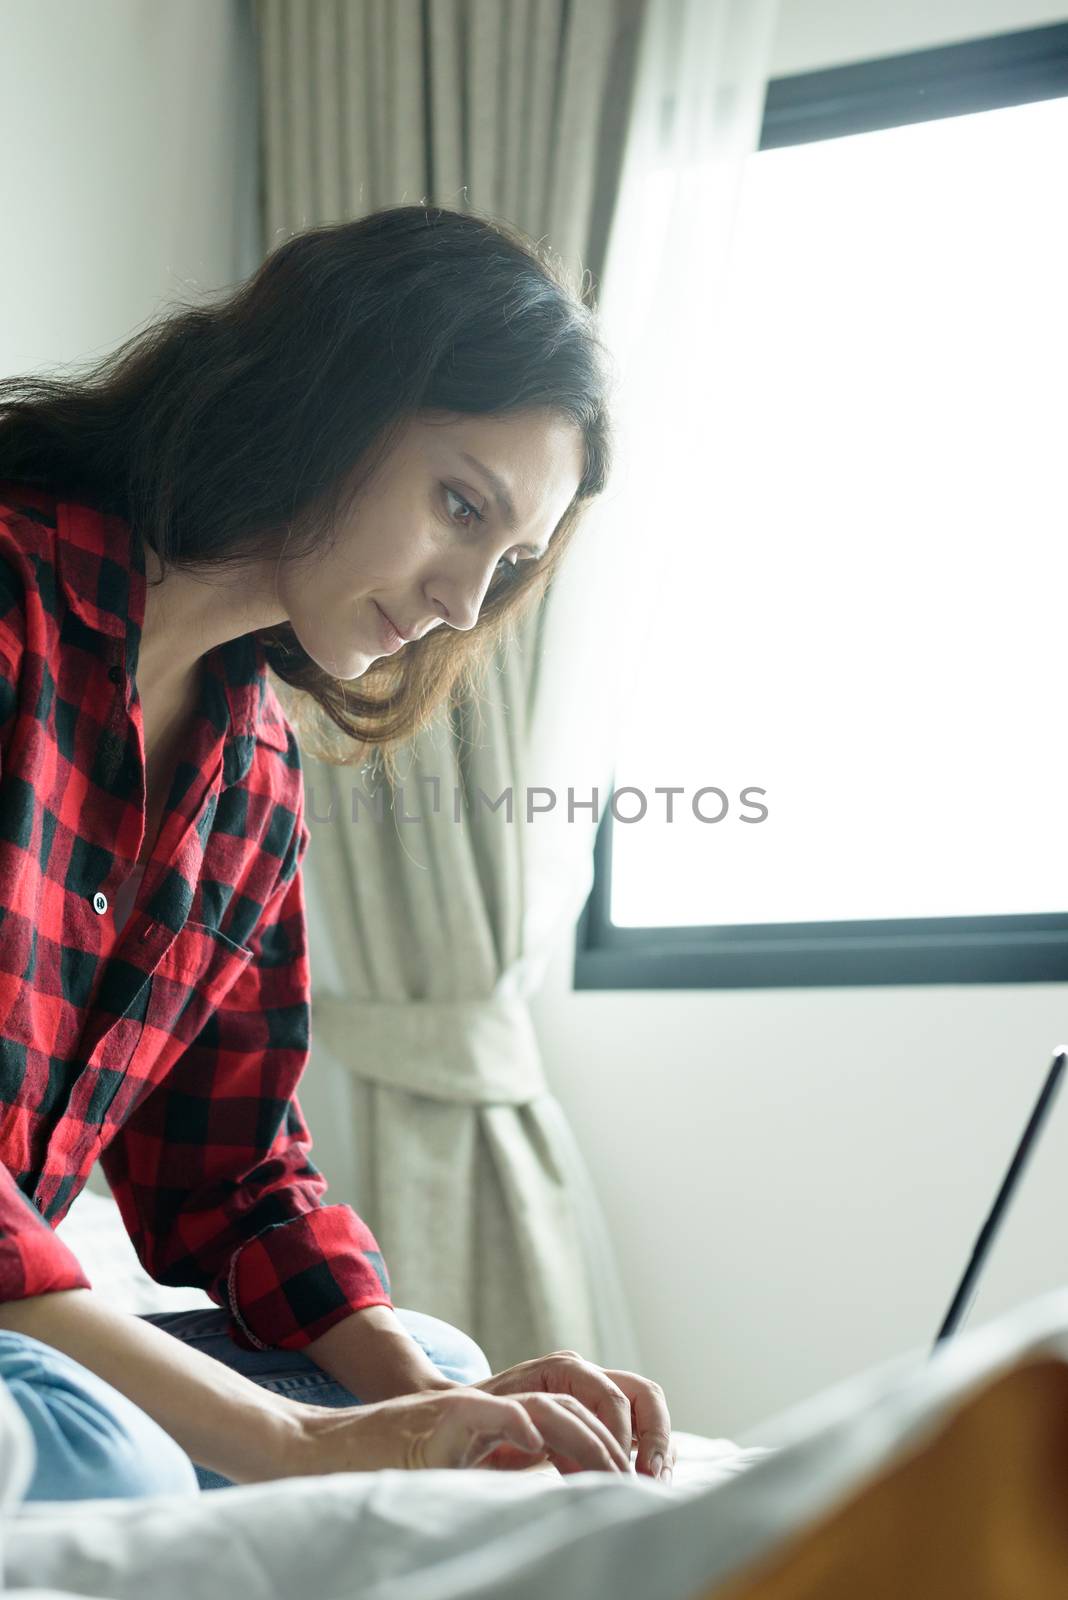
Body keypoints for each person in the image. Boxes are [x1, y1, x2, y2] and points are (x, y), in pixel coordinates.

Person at [0, 204, 676, 1501]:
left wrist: (437, 1409)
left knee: (435, 1359)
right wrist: (303, 1441)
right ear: (330, 391)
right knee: (111, 1457)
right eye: (458, 505)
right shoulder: (12, 600)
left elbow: (234, 1177)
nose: (461, 604)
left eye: (509, 559)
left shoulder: (250, 768)